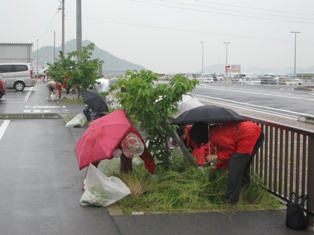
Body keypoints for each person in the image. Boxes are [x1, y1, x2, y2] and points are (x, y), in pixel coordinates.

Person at [189, 121, 264, 205]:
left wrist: (216, 156)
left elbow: (231, 152)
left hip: (249, 134)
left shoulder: (215, 136)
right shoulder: (215, 131)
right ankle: (245, 189)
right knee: (242, 164)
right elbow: (226, 151)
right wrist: (217, 166)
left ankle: (231, 199)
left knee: (235, 164)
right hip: (253, 132)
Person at [82, 127, 156, 189]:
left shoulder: (137, 141)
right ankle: (88, 180)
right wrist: (112, 153)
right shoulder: (111, 138)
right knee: (97, 157)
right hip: (108, 135)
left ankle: (126, 178)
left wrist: (153, 172)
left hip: (123, 137)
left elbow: (147, 156)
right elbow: (103, 153)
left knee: (127, 158)